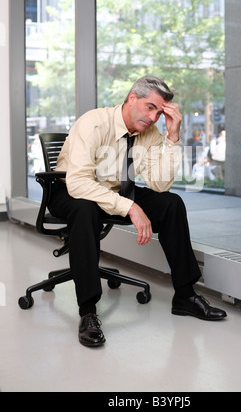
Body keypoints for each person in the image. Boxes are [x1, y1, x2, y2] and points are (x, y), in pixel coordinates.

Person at [48, 76, 227, 348]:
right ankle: (87, 311)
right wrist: (130, 206)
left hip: (115, 190)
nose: (153, 117)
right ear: (132, 98)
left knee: (171, 203)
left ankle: (185, 296)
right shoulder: (94, 122)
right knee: (85, 211)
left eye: (160, 111)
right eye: (149, 107)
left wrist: (174, 137)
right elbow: (79, 183)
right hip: (71, 191)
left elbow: (159, 183)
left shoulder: (151, 134)